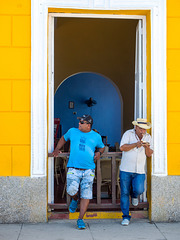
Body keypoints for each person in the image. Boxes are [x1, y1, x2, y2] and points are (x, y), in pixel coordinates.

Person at [52, 114, 105, 229]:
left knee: (86, 194)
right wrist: (57, 149)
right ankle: (75, 199)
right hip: (74, 168)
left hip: (89, 169)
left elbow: (102, 147)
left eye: (82, 122)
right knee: (71, 190)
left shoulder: (96, 136)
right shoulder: (72, 131)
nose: (79, 124)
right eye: (79, 122)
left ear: (88, 125)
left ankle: (80, 219)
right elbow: (63, 138)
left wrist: (99, 153)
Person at [119, 118, 153, 226]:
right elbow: (122, 147)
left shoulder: (148, 137)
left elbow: (149, 154)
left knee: (139, 189)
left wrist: (146, 147)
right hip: (125, 169)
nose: (143, 131)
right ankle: (125, 217)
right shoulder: (128, 134)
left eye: (145, 129)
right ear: (136, 127)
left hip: (139, 170)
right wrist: (135, 144)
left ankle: (134, 195)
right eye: (141, 129)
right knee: (124, 193)